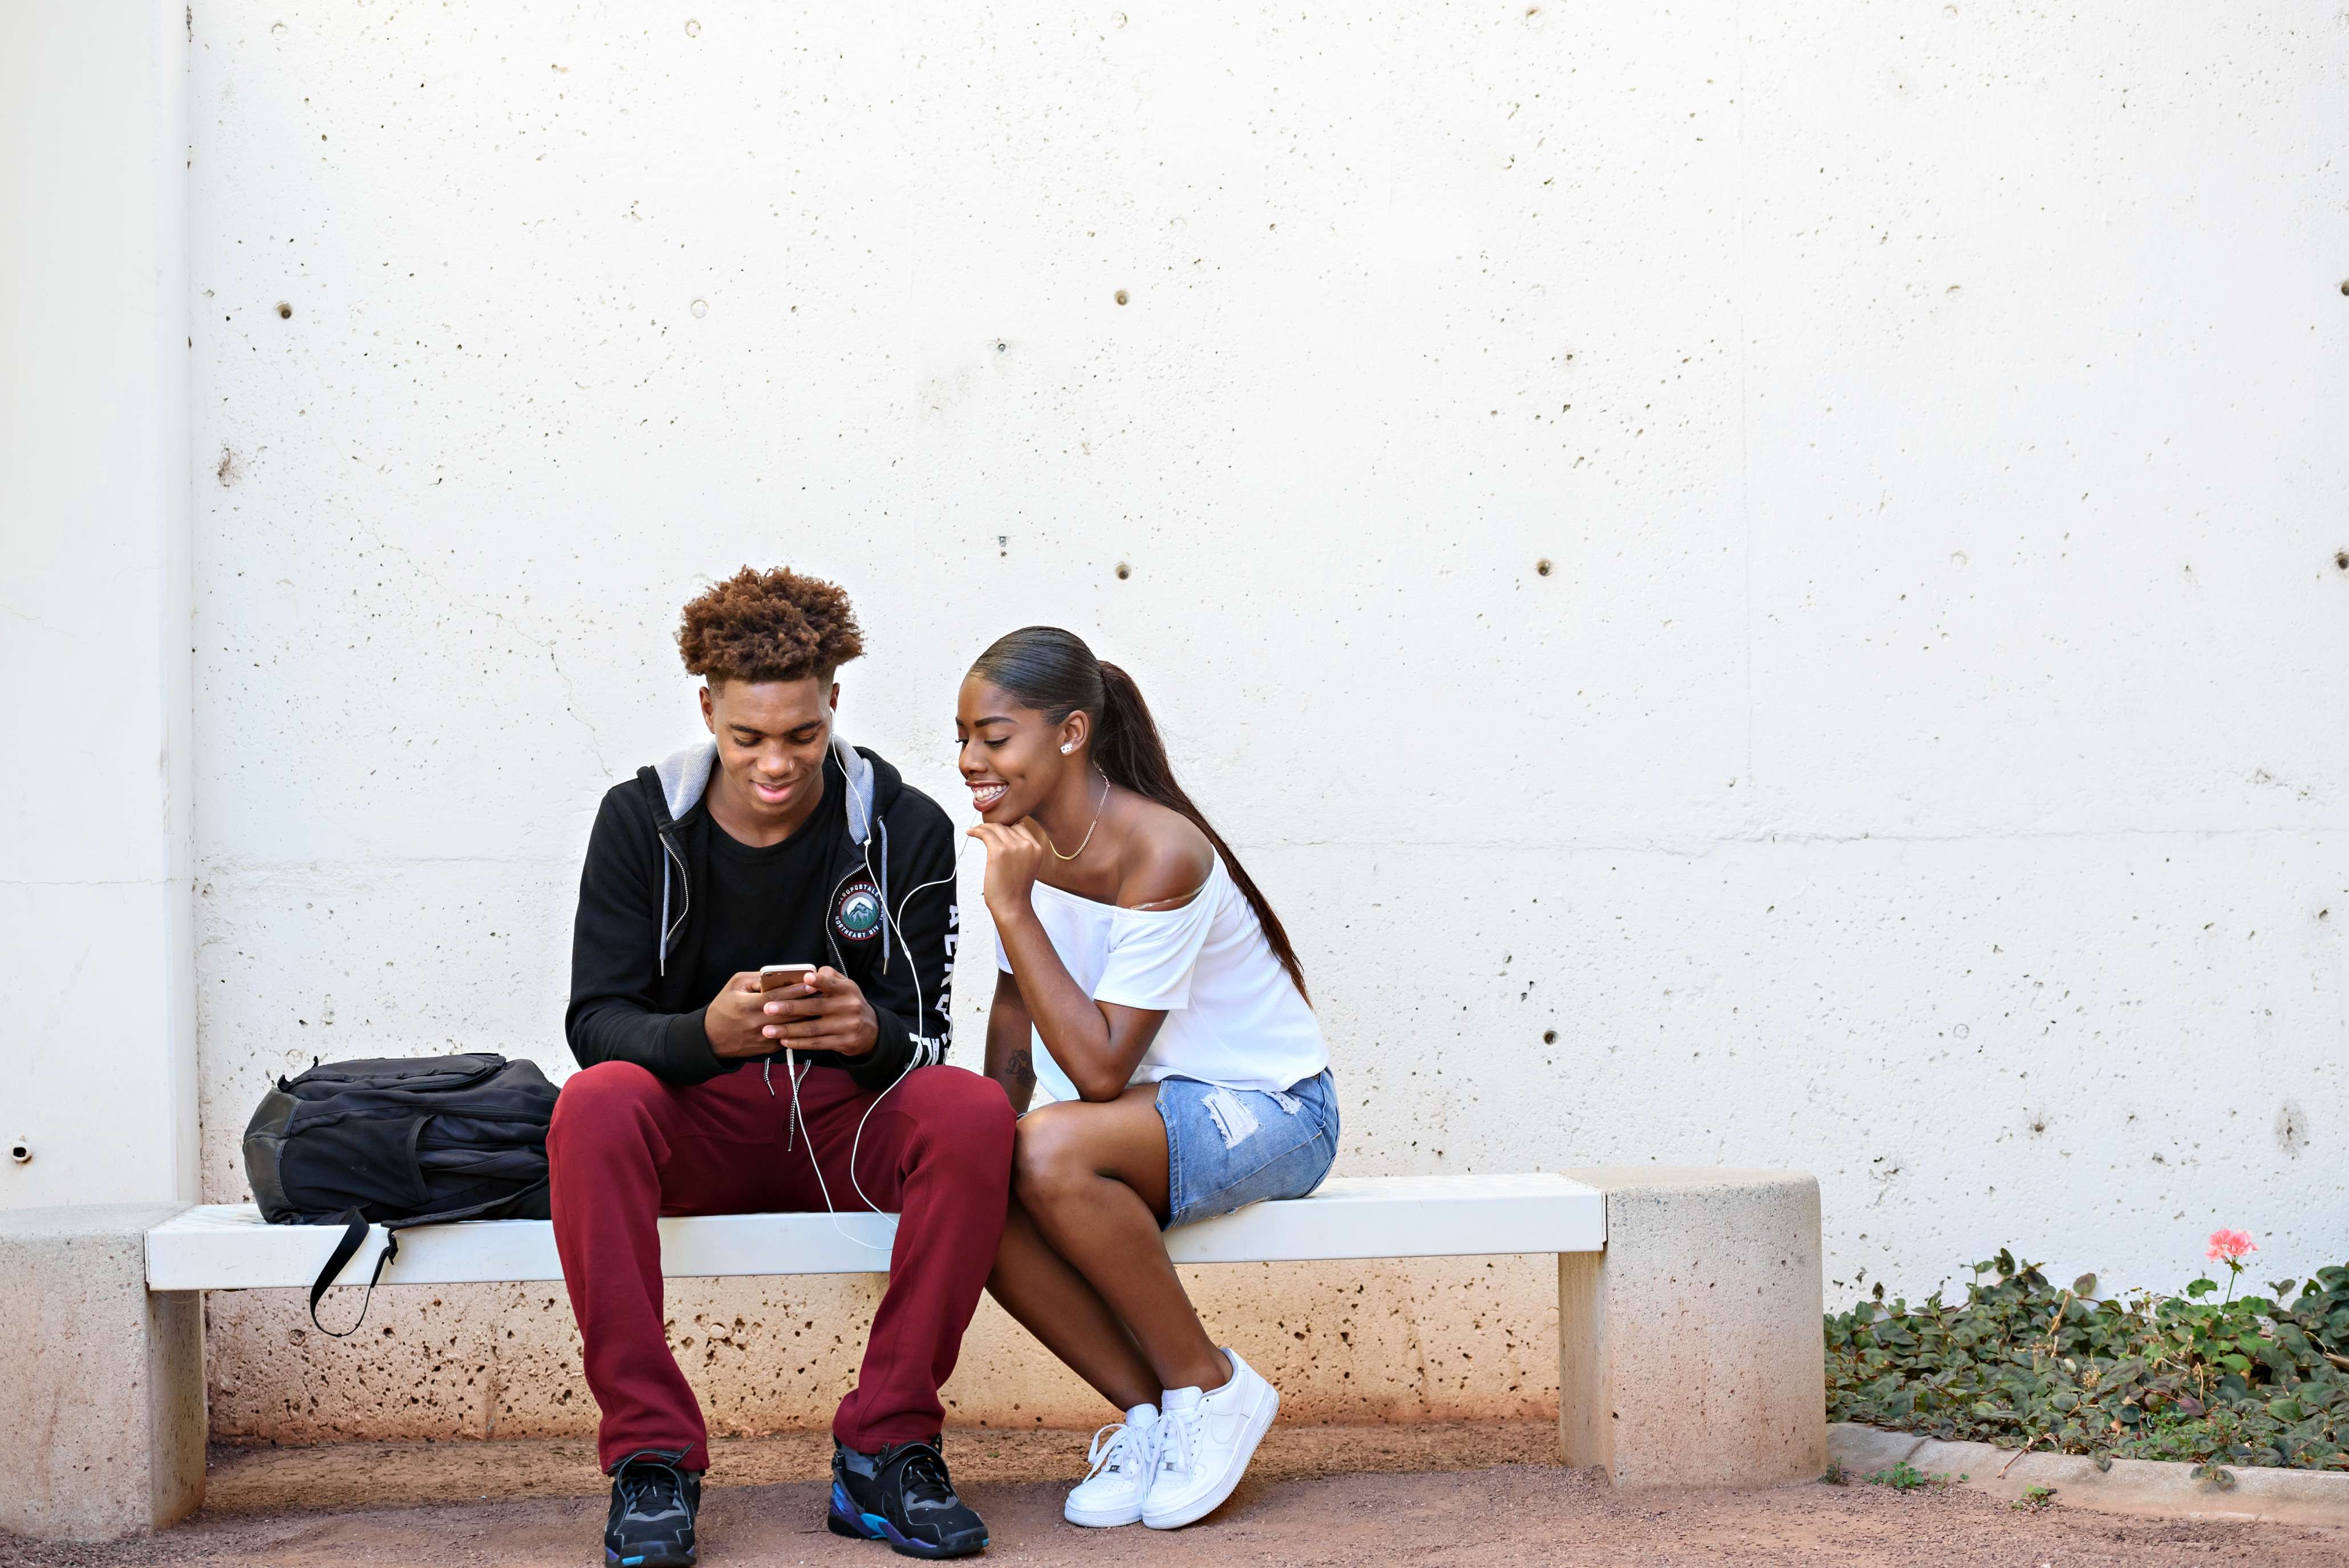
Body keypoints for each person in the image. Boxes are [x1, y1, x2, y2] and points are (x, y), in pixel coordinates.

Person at [552, 568, 1008, 1566]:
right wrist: (702, 1035)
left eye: (801, 736)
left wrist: (867, 1032)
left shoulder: (907, 826)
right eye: (748, 737)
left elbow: (926, 1035)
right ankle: (651, 1458)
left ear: (834, 704)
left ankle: (887, 1445)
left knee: (971, 1110)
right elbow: (595, 1020)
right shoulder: (639, 822)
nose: (776, 763)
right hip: (698, 1131)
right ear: (707, 706)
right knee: (594, 1106)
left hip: (844, 1127)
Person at [958, 626, 1339, 1532]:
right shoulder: (1029, 844)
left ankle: (1211, 1382)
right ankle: (1153, 1413)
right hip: (1151, 1117)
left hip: (1274, 1110)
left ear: (1071, 732)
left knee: (1051, 1146)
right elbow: (1017, 1014)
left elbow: (1096, 1071)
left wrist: (1012, 906)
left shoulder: (1160, 849)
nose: (972, 757)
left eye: (995, 734)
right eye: (963, 734)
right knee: (980, 1181)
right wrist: (978, 1129)